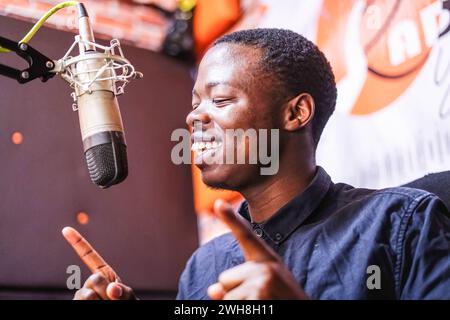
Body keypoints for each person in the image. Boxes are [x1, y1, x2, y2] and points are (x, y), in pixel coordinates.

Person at [64, 28, 450, 300]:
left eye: (219, 100)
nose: (193, 118)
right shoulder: (203, 267)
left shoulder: (402, 223)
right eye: (195, 102)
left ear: (296, 112)